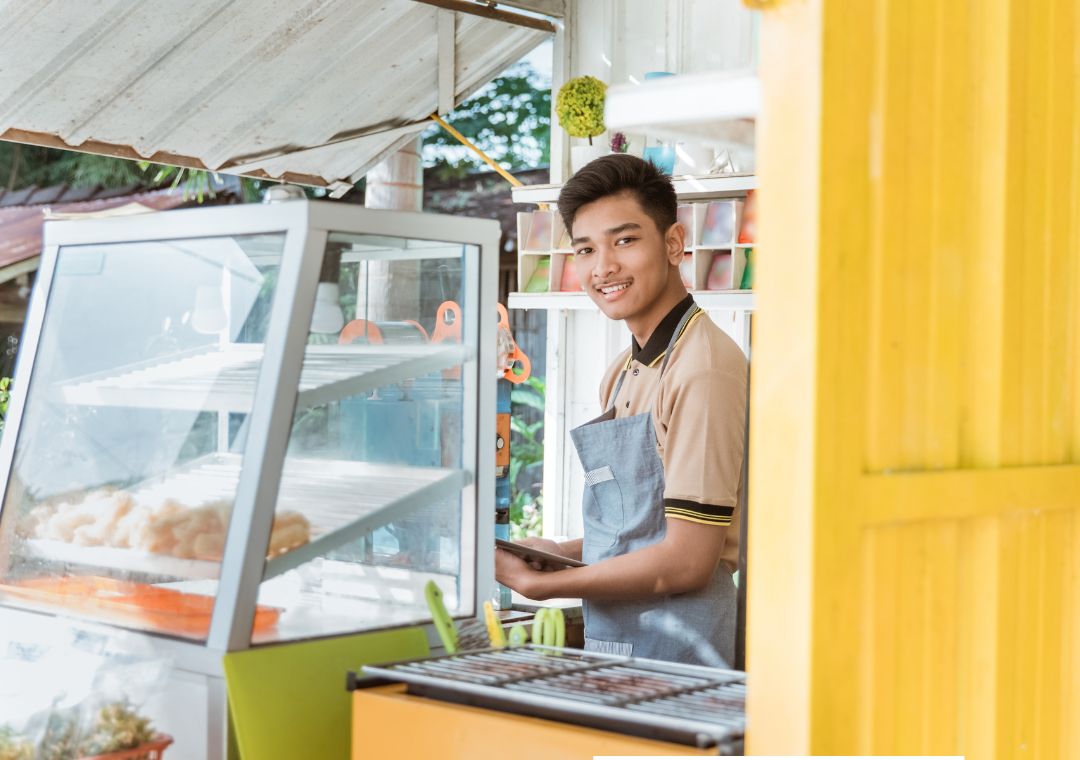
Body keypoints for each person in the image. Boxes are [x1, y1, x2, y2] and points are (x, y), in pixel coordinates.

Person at [495, 154, 747, 667]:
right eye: (585, 249)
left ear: (674, 243)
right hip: (620, 643)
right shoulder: (624, 369)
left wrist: (549, 586)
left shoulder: (703, 368)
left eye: (624, 240)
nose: (602, 266)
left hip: (684, 651)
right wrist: (557, 552)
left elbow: (687, 562)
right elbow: (647, 530)